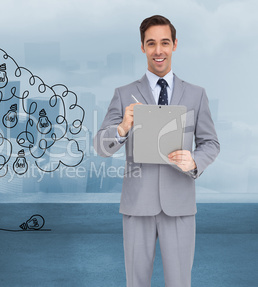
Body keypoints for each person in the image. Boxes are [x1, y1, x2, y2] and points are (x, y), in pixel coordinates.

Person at [93, 15, 220, 287]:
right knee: (136, 283)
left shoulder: (196, 94)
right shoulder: (124, 93)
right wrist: (122, 128)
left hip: (180, 205)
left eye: (164, 42)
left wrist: (194, 161)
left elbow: (211, 143)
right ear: (142, 47)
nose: (158, 50)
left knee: (179, 283)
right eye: (151, 44)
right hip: (138, 205)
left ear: (175, 45)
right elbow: (100, 147)